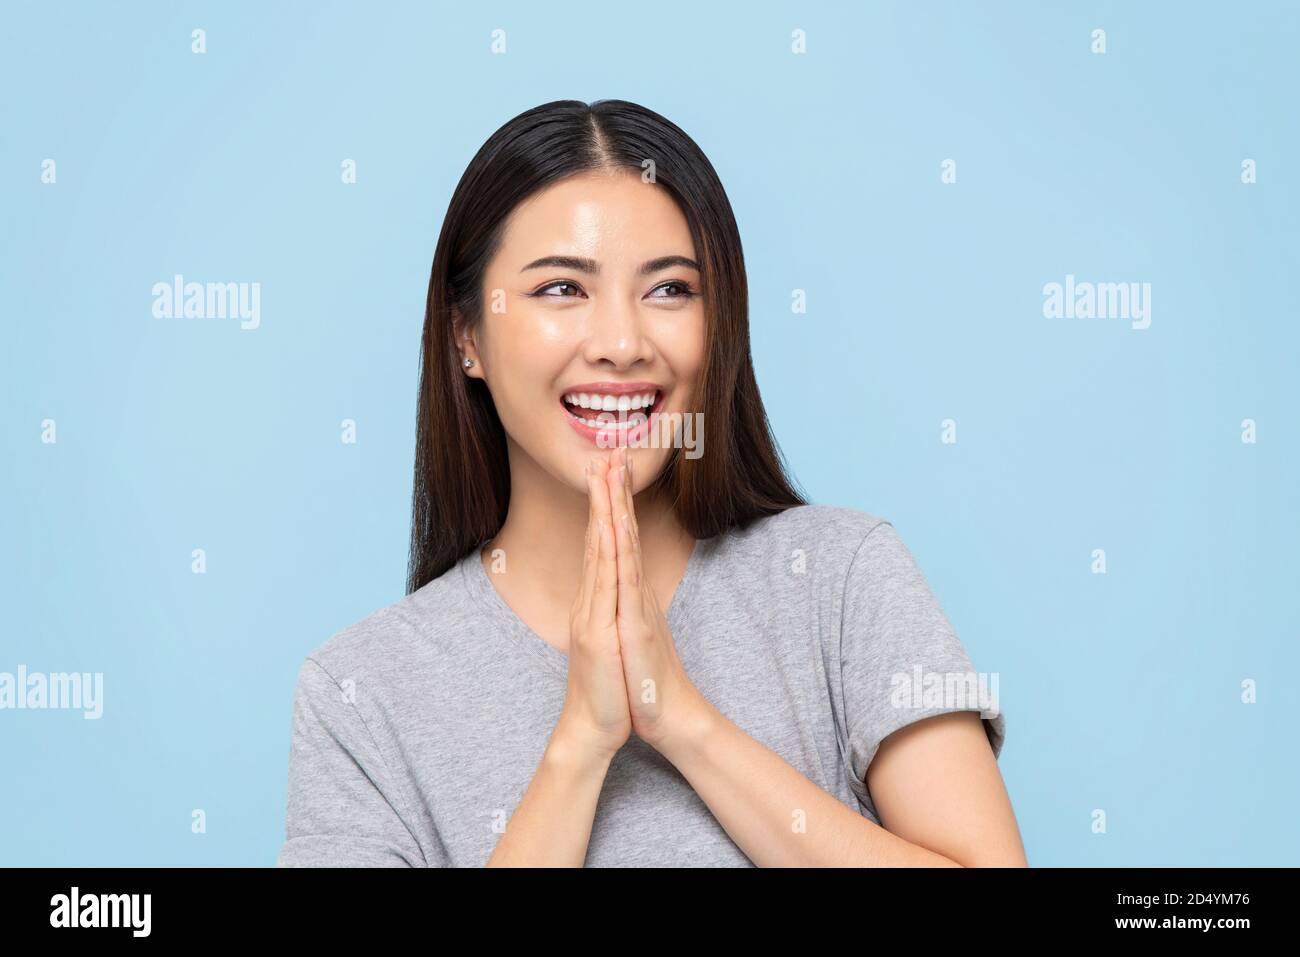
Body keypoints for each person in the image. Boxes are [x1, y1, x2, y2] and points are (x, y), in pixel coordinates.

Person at [276, 99, 1027, 867]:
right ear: (467, 336)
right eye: (562, 289)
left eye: (669, 289)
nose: (622, 344)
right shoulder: (359, 693)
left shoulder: (841, 578)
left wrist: (685, 721)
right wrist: (578, 745)